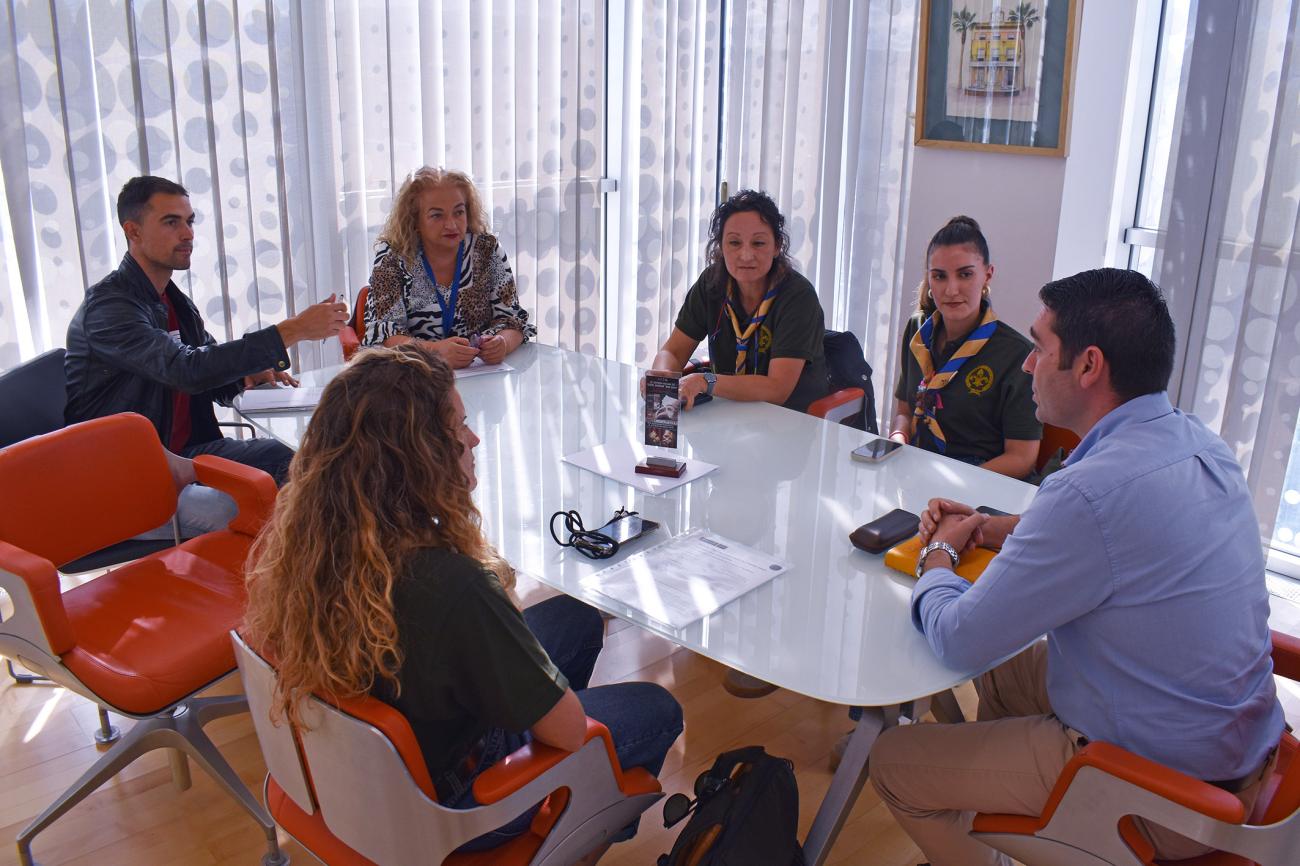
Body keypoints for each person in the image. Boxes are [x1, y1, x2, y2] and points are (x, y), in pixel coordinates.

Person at [869, 268, 1284, 866]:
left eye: (1041, 348)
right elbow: (1112, 536)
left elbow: (959, 640)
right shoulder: (1197, 441)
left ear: (1089, 366)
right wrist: (988, 528)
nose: (1027, 365)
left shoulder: (1089, 493)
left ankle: (1025, 835)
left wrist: (938, 557)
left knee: (893, 765)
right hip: (1236, 751)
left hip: (1162, 793)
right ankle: (1020, 831)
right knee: (1003, 666)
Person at [243, 344, 683, 860]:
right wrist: (502, 633)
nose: (474, 439)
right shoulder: (450, 584)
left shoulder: (319, 542)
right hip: (452, 806)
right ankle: (572, 830)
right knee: (656, 708)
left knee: (576, 615)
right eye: (458, 430)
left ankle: (561, 792)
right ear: (419, 457)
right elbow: (566, 730)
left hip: (361, 776)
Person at [65, 175, 348, 537]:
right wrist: (292, 330)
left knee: (313, 461)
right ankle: (283, 587)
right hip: (128, 479)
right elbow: (185, 370)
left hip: (190, 452)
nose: (188, 234)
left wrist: (248, 374)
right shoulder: (109, 308)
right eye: (171, 222)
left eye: (189, 221)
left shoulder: (172, 300)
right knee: (265, 511)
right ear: (133, 231)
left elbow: (205, 364)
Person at [649, 189, 829, 413]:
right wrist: (660, 378)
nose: (745, 255)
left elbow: (777, 389)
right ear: (720, 247)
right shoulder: (712, 284)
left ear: (777, 246)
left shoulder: (798, 296)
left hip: (788, 421)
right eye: (734, 243)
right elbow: (673, 352)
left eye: (758, 243)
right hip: (729, 414)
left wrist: (706, 381)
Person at [888, 216, 1040, 479]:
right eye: (939, 276)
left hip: (980, 483)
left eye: (965, 274)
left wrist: (955, 482)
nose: (951, 290)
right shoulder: (917, 332)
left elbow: (1021, 458)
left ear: (987, 275)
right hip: (918, 470)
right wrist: (898, 440)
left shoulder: (1016, 354)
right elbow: (905, 411)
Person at [365, 167, 536, 367]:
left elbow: (513, 320)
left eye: (458, 212)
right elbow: (386, 337)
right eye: (437, 215)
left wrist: (502, 343)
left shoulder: (486, 249)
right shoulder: (392, 258)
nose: (451, 224)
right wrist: (435, 352)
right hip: (414, 378)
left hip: (480, 376)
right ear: (415, 221)